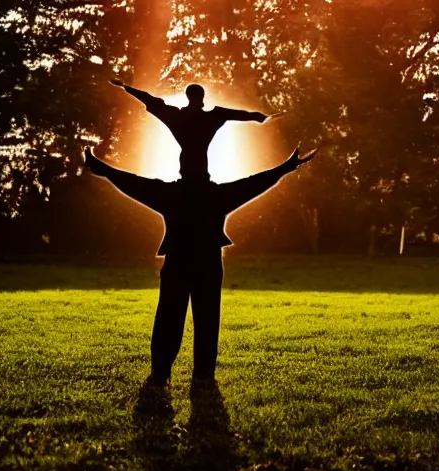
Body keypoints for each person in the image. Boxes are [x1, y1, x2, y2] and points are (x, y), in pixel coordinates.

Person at [83, 145, 317, 387]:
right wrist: (287, 167)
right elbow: (254, 184)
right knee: (204, 318)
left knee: (170, 316)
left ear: (182, 167)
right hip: (207, 261)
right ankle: (201, 373)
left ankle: (163, 371)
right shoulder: (215, 194)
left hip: (179, 260)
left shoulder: (171, 193)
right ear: (205, 168)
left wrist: (100, 167)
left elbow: (132, 183)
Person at [110, 80, 284, 182]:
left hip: (188, 169)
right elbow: (245, 115)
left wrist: (125, 87)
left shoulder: (176, 117)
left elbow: (150, 100)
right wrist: (263, 117)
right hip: (199, 170)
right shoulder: (213, 117)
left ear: (188, 97)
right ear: (201, 97)